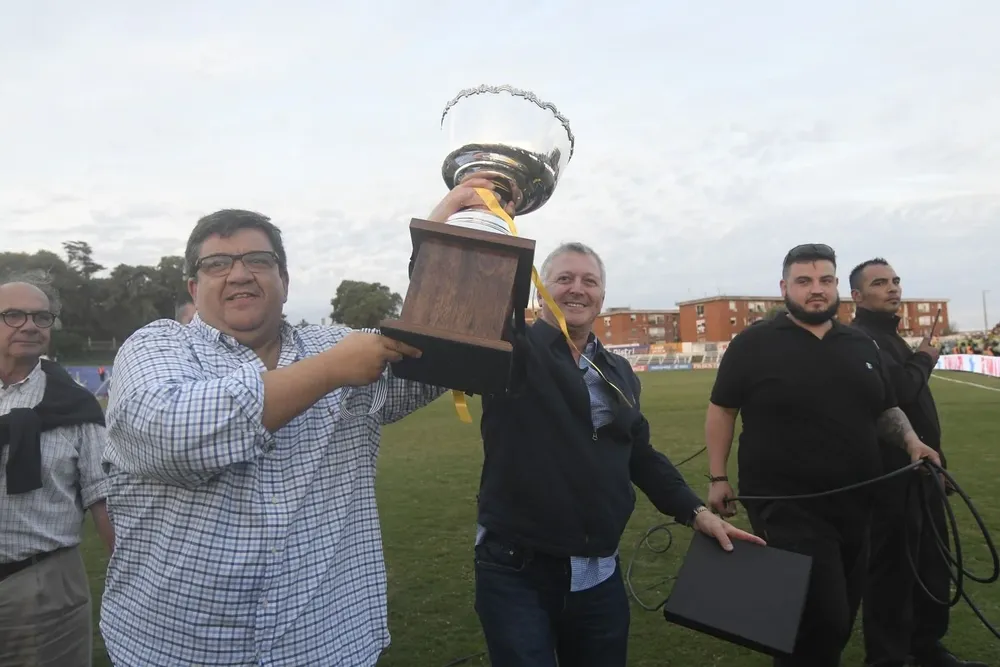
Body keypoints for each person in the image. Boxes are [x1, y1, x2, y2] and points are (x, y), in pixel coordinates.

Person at [98, 186, 488, 666]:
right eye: (217, 264)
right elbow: (171, 436)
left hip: (329, 644)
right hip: (179, 650)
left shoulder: (339, 343)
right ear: (194, 289)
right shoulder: (157, 346)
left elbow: (441, 356)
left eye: (258, 260)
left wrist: (448, 249)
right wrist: (328, 372)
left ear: (284, 278)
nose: (239, 273)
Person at [472, 241, 763, 667]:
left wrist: (695, 512)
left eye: (589, 281)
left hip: (598, 573)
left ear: (601, 298)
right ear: (539, 292)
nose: (577, 289)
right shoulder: (513, 351)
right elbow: (462, 305)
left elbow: (638, 454)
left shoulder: (617, 371)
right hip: (518, 571)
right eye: (564, 279)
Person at [704, 244, 940, 667]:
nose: (817, 290)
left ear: (836, 287)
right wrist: (717, 477)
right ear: (784, 288)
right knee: (823, 615)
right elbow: (722, 409)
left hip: (856, 505)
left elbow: (886, 408)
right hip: (785, 505)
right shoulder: (753, 344)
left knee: (833, 618)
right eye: (804, 281)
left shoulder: (860, 344)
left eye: (825, 280)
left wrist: (911, 443)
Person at [850, 258, 986, 667]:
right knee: (892, 572)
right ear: (856, 296)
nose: (892, 288)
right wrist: (926, 356)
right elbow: (901, 391)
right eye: (880, 283)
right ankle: (889, 657)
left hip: (924, 470)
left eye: (895, 281)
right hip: (891, 476)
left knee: (932, 564)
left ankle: (927, 648)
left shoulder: (890, 338)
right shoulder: (861, 340)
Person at [0, 274, 115, 667]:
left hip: (43, 588)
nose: (30, 325)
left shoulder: (75, 406)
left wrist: (130, 581)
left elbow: (104, 498)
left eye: (41, 317)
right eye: (13, 316)